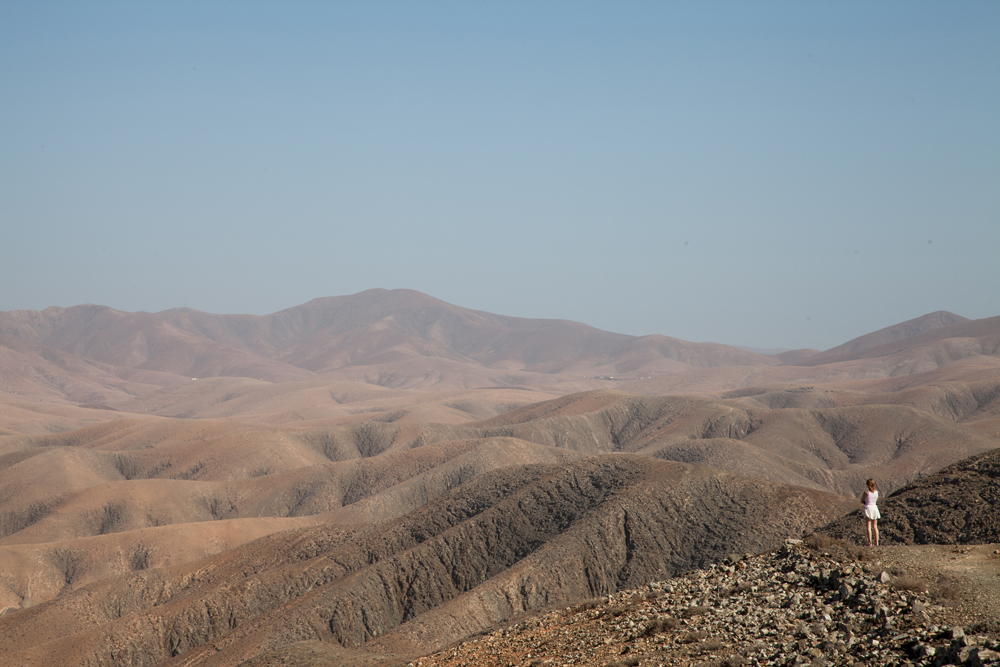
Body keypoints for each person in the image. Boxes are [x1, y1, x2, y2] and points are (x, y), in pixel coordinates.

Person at [861, 478, 880, 546]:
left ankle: (870, 542)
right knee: (875, 526)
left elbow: (861, 500)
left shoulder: (866, 493)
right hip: (874, 508)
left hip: (868, 508)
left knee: (868, 527)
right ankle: (877, 542)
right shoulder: (876, 492)